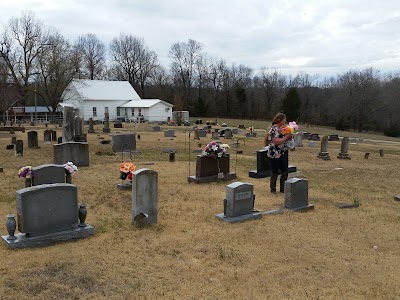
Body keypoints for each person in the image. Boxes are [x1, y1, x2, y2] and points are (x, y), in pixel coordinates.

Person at [264, 113, 293, 193]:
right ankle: (273, 189)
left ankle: (282, 188)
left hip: (281, 152)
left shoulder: (282, 129)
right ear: (279, 120)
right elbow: (276, 141)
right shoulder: (273, 129)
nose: (285, 121)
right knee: (275, 171)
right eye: (284, 119)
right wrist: (286, 137)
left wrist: (289, 137)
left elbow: (283, 139)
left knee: (284, 171)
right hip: (274, 153)